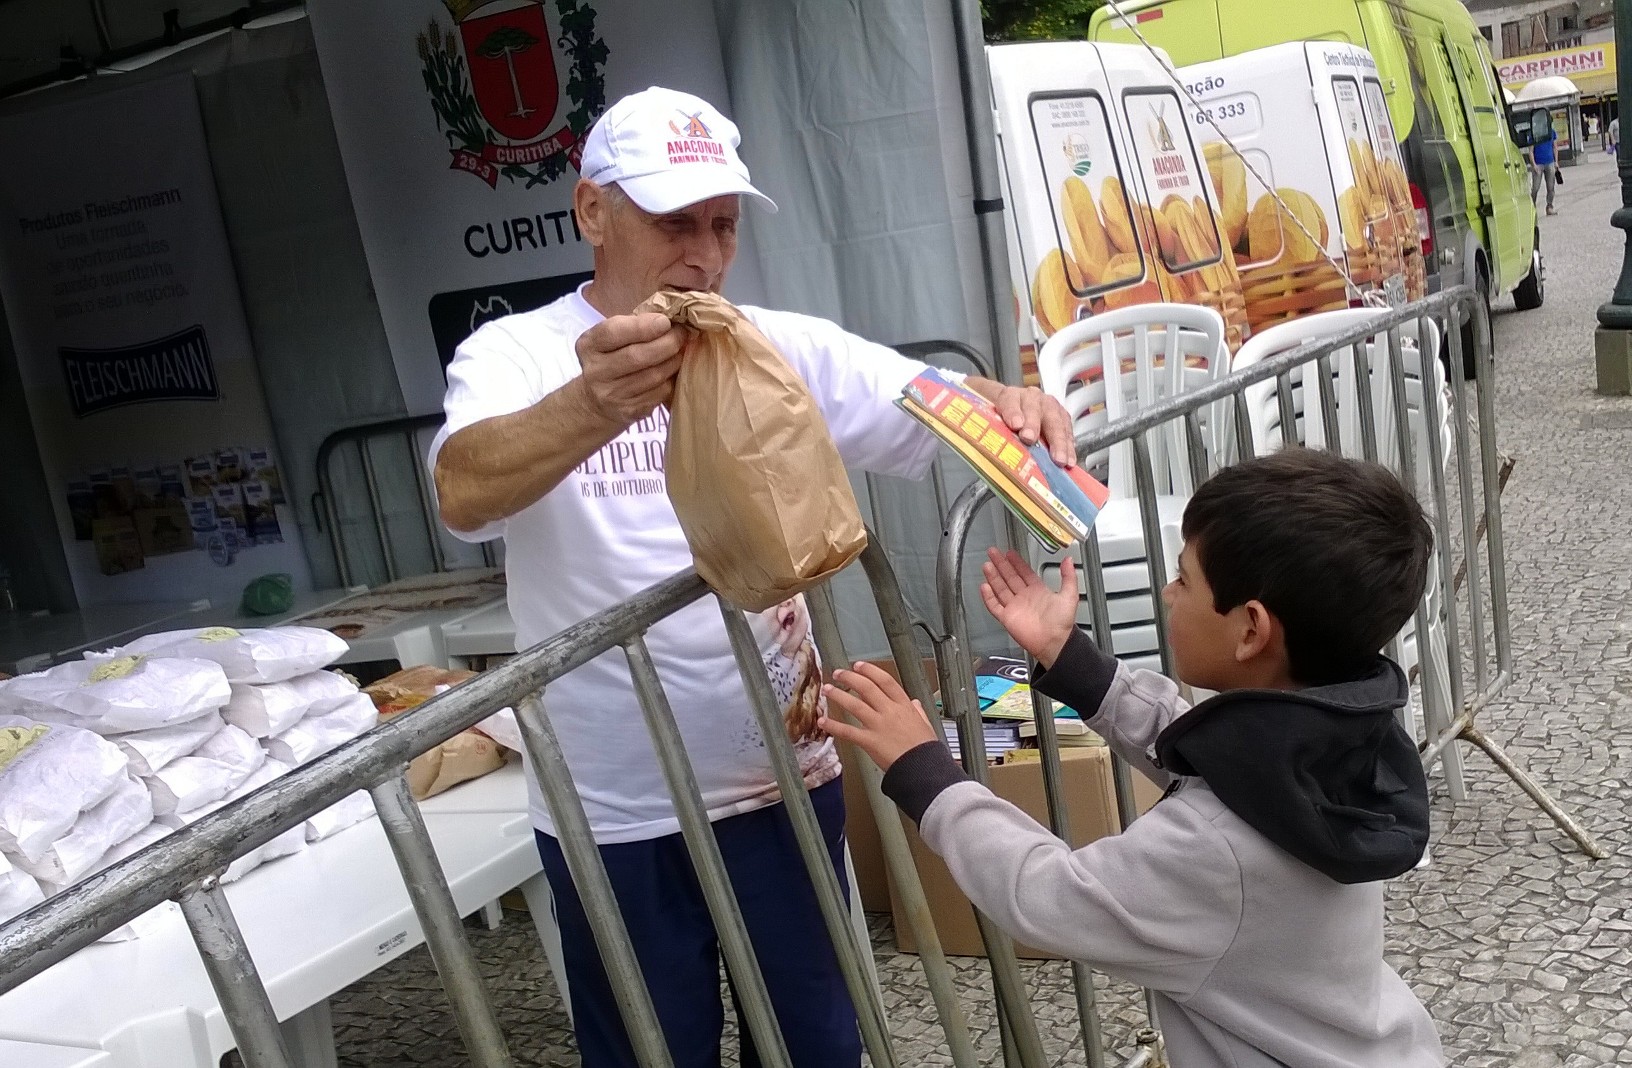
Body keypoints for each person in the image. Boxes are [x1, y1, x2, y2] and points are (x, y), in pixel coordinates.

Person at [430, 86, 1075, 1068]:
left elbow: (921, 397)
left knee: (816, 1042)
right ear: (592, 211)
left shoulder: (768, 342)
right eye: (674, 220)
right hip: (614, 809)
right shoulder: (516, 351)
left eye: (723, 224)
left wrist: (1011, 405)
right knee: (654, 1050)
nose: (705, 252)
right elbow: (463, 489)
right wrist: (590, 404)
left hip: (779, 778)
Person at [822, 447, 1446, 1068]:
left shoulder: (1212, 850)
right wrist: (1070, 661)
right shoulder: (1345, 732)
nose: (1169, 594)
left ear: (1251, 629)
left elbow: (1047, 895)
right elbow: (1204, 746)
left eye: (1185, 579)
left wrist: (925, 772)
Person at [1530, 123, 1558, 216]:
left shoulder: (1551, 132)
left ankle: (1549, 207)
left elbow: (1555, 147)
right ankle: (1532, 207)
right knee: (1535, 188)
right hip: (1538, 163)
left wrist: (1556, 161)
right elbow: (1530, 151)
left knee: (1551, 187)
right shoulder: (1534, 133)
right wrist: (1534, 165)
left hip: (1549, 162)